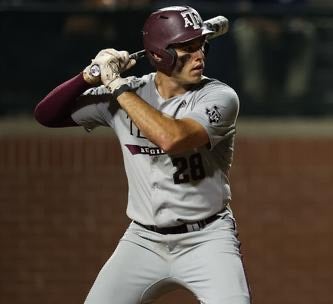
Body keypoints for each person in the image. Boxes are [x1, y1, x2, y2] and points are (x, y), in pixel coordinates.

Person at [34, 6, 251, 304]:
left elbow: (171, 138)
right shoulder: (129, 92)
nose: (200, 56)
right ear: (161, 55)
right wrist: (87, 77)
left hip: (208, 237)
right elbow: (46, 115)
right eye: (187, 49)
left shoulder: (219, 97)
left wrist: (118, 87)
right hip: (144, 240)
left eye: (201, 45)